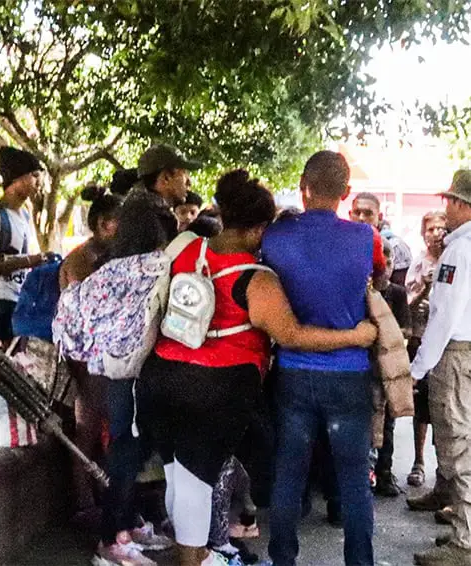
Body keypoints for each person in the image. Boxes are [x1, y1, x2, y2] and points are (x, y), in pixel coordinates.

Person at [138, 169, 377, 566]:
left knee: (178, 478)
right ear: (257, 229)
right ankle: (191, 561)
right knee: (198, 484)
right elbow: (292, 334)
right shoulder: (255, 278)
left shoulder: (187, 248)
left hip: (162, 375)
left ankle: (199, 556)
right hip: (214, 388)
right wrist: (357, 336)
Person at [263, 151, 386, 566]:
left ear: (303, 185)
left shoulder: (275, 238)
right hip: (350, 372)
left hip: (294, 371)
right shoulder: (364, 238)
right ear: (346, 193)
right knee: (354, 482)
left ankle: (283, 559)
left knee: (289, 474)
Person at [92, 144, 196, 566]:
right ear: (166, 176)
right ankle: (110, 539)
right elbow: (147, 278)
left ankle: (128, 521)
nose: (188, 184)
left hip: (134, 345)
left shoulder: (143, 209)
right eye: (183, 175)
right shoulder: (145, 215)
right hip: (131, 347)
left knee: (139, 437)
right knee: (128, 441)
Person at [410, 171, 471, 566]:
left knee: (459, 446)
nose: (445, 207)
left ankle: (464, 543)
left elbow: (444, 318)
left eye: (451, 200)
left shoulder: (458, 252)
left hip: (456, 352)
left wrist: (416, 368)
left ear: (465, 206)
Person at [58, 183, 123, 524]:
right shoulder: (81, 260)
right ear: (101, 224)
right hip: (87, 357)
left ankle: (101, 497)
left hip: (102, 355)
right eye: (118, 223)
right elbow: (91, 312)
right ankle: (85, 500)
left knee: (102, 427)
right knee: (87, 428)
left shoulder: (102, 258)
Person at [0, 146, 48, 345]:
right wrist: (29, 261)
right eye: (34, 175)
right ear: (17, 178)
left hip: (18, 302)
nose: (38, 182)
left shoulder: (24, 215)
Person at [405, 211, 448, 490]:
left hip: (446, 344)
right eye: (430, 228)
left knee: (445, 409)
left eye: (440, 228)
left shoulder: (455, 258)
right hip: (420, 339)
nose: (435, 233)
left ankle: (443, 471)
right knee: (421, 408)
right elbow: (407, 306)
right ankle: (418, 462)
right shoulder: (418, 263)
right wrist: (425, 289)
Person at [372, 240, 411, 498]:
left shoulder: (396, 292)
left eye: (389, 261)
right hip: (367, 364)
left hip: (387, 363)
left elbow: (405, 328)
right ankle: (369, 473)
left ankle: (384, 472)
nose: (384, 267)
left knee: (388, 422)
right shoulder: (364, 291)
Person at [350, 192, 412, 285]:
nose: (361, 218)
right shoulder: (343, 243)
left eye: (368, 213)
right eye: (357, 213)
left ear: (379, 217)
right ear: (350, 214)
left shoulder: (396, 247)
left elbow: (400, 292)